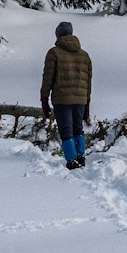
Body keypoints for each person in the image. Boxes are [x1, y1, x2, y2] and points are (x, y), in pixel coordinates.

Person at [41, 20, 92, 169]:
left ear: (58, 36)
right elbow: (88, 82)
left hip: (62, 99)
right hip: (81, 99)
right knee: (78, 128)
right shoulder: (85, 55)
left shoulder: (54, 52)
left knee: (66, 130)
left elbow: (47, 77)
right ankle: (80, 156)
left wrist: (44, 99)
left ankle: (71, 160)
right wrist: (87, 102)